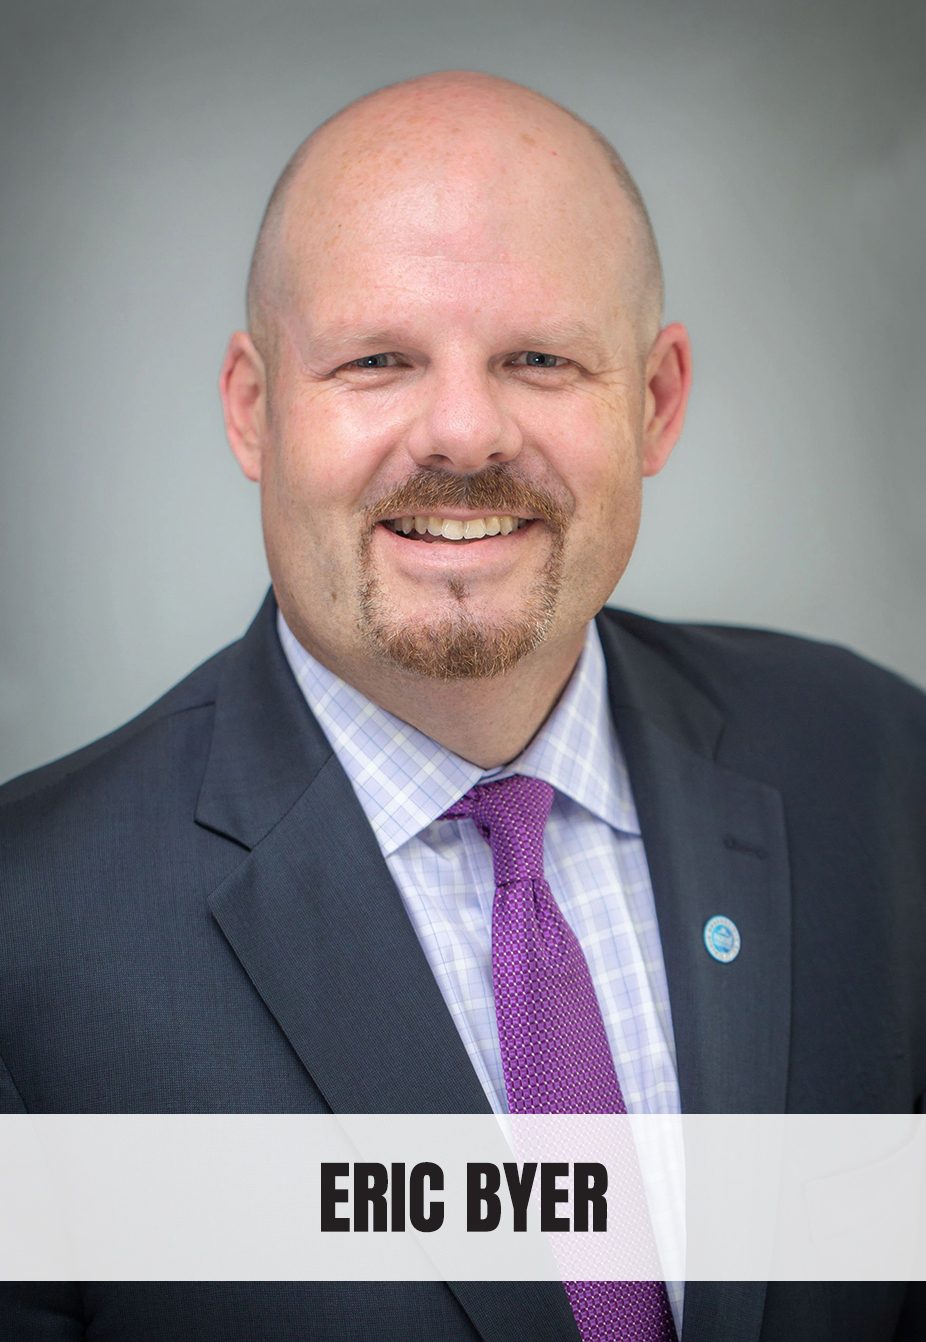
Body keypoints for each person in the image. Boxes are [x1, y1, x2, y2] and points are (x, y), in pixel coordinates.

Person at [0, 69, 923, 1342]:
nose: (462, 430)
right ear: (253, 408)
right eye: (377, 359)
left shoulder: (877, 772)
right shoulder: (28, 935)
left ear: (653, 402)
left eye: (537, 358)